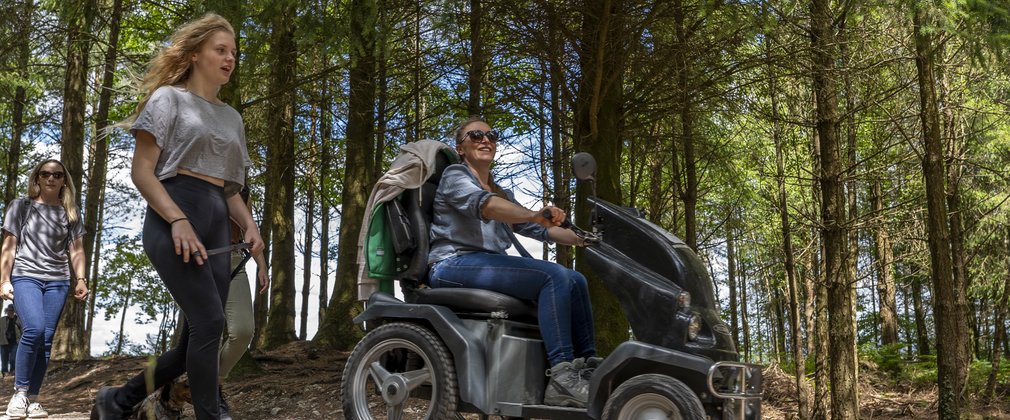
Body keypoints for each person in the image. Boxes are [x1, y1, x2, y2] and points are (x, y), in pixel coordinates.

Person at [93, 13, 263, 420]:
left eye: (234, 53)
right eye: (220, 50)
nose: (229, 58)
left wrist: (252, 227)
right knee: (209, 323)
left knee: (195, 342)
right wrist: (177, 220)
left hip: (216, 219)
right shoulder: (168, 99)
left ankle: (117, 400)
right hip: (172, 213)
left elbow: (229, 188)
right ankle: (209, 414)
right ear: (195, 54)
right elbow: (142, 172)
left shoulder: (232, 117)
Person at [426, 117, 599, 408]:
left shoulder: (501, 191)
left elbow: (542, 230)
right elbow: (487, 207)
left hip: (484, 264)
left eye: (491, 135)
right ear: (460, 148)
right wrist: (532, 213)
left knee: (575, 279)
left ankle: (587, 368)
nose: (486, 140)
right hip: (452, 264)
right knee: (552, 276)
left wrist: (584, 239)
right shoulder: (456, 176)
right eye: (476, 135)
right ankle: (561, 377)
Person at [0, 159, 90, 419]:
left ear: (64, 180)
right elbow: (9, 245)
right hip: (26, 276)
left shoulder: (70, 212)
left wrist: (81, 279)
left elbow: (77, 249)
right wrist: (4, 280)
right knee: (34, 329)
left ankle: (34, 399)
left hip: (58, 281)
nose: (51, 178)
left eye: (57, 174)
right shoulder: (20, 206)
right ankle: (19, 393)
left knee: (47, 340)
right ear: (37, 178)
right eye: (45, 173)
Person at [216, 187, 269, 413]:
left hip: (234, 260)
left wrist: (262, 265)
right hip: (202, 263)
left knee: (244, 330)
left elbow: (249, 228)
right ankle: (209, 394)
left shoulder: (241, 191)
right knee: (210, 333)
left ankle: (214, 380)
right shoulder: (200, 178)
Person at [0, 305, 23, 378]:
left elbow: (22, 330)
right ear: (6, 311)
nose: (10, 312)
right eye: (9, 311)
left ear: (14, 311)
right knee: (4, 359)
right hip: (4, 342)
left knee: (13, 358)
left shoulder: (18, 319)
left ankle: (13, 371)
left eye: (12, 311)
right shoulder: (2, 320)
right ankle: (4, 373)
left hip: (15, 343)